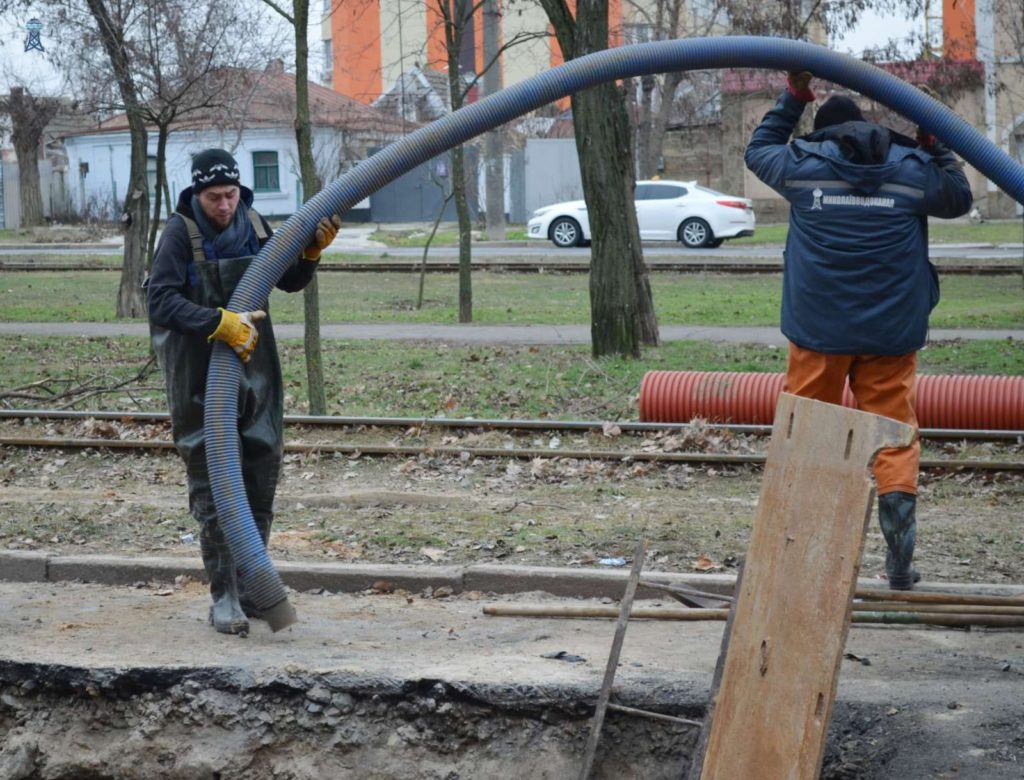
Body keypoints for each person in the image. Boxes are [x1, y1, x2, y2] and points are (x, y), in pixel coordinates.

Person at [744, 72, 973, 590]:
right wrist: (934, 143)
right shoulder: (912, 169)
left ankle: (797, 559)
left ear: (822, 133)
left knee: (809, 434)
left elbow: (758, 148)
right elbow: (959, 197)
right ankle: (899, 557)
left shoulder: (800, 167)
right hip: (890, 333)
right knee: (894, 435)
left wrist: (794, 97)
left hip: (818, 331)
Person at [147, 148, 341, 633]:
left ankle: (256, 586)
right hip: (199, 377)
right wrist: (218, 322)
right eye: (214, 197)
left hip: (255, 368)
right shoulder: (179, 234)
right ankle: (224, 597)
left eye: (231, 194)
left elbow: (288, 280)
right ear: (196, 193)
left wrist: (311, 253)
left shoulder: (253, 223)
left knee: (261, 468)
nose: (225, 205)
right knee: (215, 482)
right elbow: (160, 301)